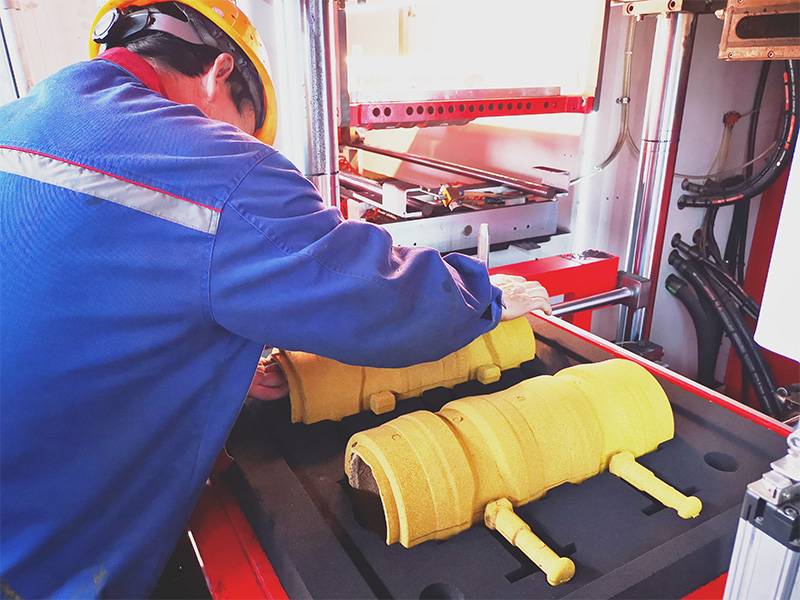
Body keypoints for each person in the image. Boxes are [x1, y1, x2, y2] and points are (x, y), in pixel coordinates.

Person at [0, 0, 550, 597]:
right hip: (50, 563)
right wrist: (481, 295)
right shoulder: (207, 162)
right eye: (242, 126)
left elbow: (82, 302)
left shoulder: (21, 119)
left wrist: (218, 364)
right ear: (218, 75)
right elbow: (375, 300)